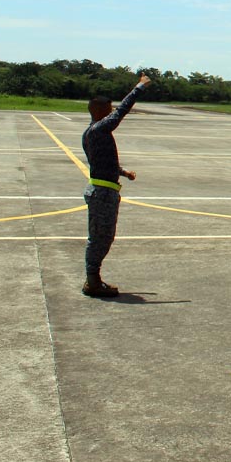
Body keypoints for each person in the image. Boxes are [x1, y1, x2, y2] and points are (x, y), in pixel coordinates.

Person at [81, 75, 152, 297]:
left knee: (102, 237)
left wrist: (123, 172)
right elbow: (122, 111)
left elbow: (100, 161)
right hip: (102, 193)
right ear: (100, 110)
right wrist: (139, 87)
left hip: (103, 190)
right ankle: (92, 281)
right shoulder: (99, 129)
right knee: (100, 238)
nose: (112, 112)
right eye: (109, 109)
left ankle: (93, 279)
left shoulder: (92, 132)